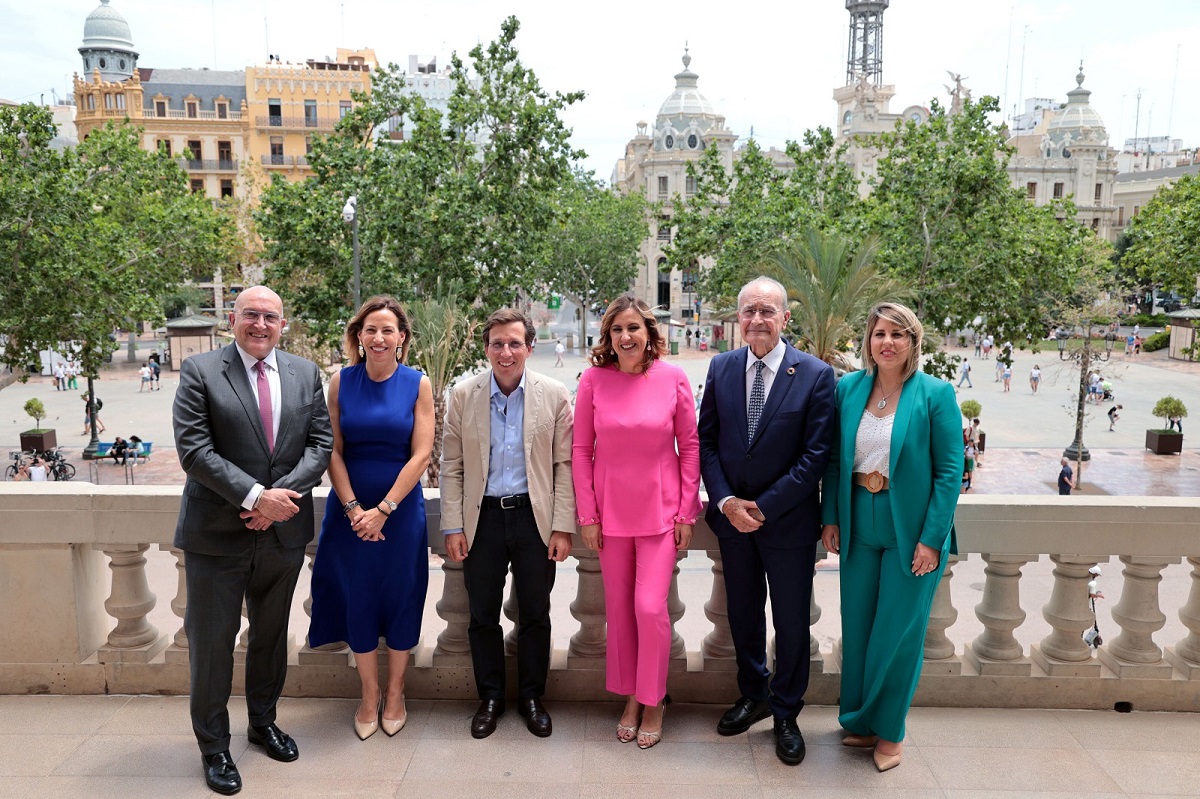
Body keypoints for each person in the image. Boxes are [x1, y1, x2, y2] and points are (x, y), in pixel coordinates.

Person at [172, 285, 333, 796]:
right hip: (217, 536)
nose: (260, 325)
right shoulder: (201, 371)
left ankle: (262, 724)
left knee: (270, 637)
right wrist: (255, 497)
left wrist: (277, 500)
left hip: (283, 532)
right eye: (250, 315)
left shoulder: (305, 373)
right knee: (212, 644)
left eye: (270, 316)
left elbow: (321, 444)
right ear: (232, 319)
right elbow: (194, 451)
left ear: (283, 323)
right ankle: (214, 747)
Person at [698, 276, 836, 766]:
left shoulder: (817, 375)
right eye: (748, 311)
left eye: (767, 311)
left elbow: (816, 453)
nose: (757, 319)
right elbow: (706, 443)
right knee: (743, 614)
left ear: (785, 318)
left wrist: (766, 506)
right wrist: (728, 502)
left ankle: (785, 711)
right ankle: (753, 693)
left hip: (789, 525)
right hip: (733, 523)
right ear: (739, 319)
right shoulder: (721, 367)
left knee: (793, 621)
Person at [820, 301, 961, 773]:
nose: (887, 342)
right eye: (880, 333)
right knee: (858, 627)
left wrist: (931, 538)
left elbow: (949, 471)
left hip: (913, 531)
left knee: (899, 633)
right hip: (858, 520)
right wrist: (831, 518)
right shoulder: (849, 389)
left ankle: (891, 731)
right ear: (868, 340)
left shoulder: (935, 394)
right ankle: (859, 719)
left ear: (913, 342)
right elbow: (834, 461)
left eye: (898, 335)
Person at [573, 294, 702, 750]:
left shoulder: (673, 378)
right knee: (620, 613)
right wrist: (587, 514)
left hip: (661, 515)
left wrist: (687, 510)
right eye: (617, 330)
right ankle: (630, 697)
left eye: (634, 328)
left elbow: (689, 447)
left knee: (650, 609)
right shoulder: (592, 380)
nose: (625, 337)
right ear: (608, 337)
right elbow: (579, 450)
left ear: (649, 334)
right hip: (609, 518)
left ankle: (654, 699)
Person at [440, 308, 575, 741]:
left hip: (534, 521)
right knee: (482, 615)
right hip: (481, 521)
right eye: (497, 343)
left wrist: (562, 526)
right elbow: (452, 467)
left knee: (535, 612)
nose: (505, 351)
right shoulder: (463, 395)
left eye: (514, 343)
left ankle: (533, 698)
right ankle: (492, 698)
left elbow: (564, 465)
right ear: (486, 348)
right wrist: (453, 526)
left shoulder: (554, 395)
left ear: (529, 348)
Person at [308, 296, 434, 741]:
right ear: (358, 336)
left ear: (402, 338)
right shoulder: (340, 382)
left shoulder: (418, 383)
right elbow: (332, 450)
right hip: (349, 512)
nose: (378, 338)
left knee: (402, 597)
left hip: (399, 514)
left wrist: (383, 510)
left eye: (388, 330)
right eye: (370, 330)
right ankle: (368, 693)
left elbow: (421, 454)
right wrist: (353, 509)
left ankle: (396, 693)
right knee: (358, 598)